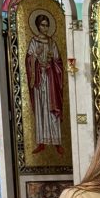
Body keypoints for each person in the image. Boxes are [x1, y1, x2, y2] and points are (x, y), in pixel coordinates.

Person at [25, 13, 64, 155]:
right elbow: (28, 60)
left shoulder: (52, 42)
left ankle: (57, 143)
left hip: (50, 80)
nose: (45, 28)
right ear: (37, 26)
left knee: (51, 109)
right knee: (41, 109)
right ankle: (41, 142)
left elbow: (59, 62)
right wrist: (35, 55)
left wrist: (52, 61)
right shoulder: (33, 42)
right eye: (42, 25)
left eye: (47, 25)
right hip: (38, 80)